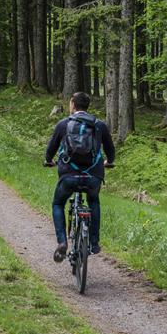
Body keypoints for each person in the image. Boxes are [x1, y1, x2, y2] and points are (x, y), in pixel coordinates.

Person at [44, 91, 115, 262]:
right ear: (87, 106)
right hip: (93, 177)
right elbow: (110, 150)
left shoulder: (63, 124)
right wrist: (109, 161)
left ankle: (62, 242)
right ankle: (94, 242)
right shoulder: (99, 125)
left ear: (73, 105)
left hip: (68, 176)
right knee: (94, 201)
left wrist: (48, 161)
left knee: (58, 203)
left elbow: (51, 149)